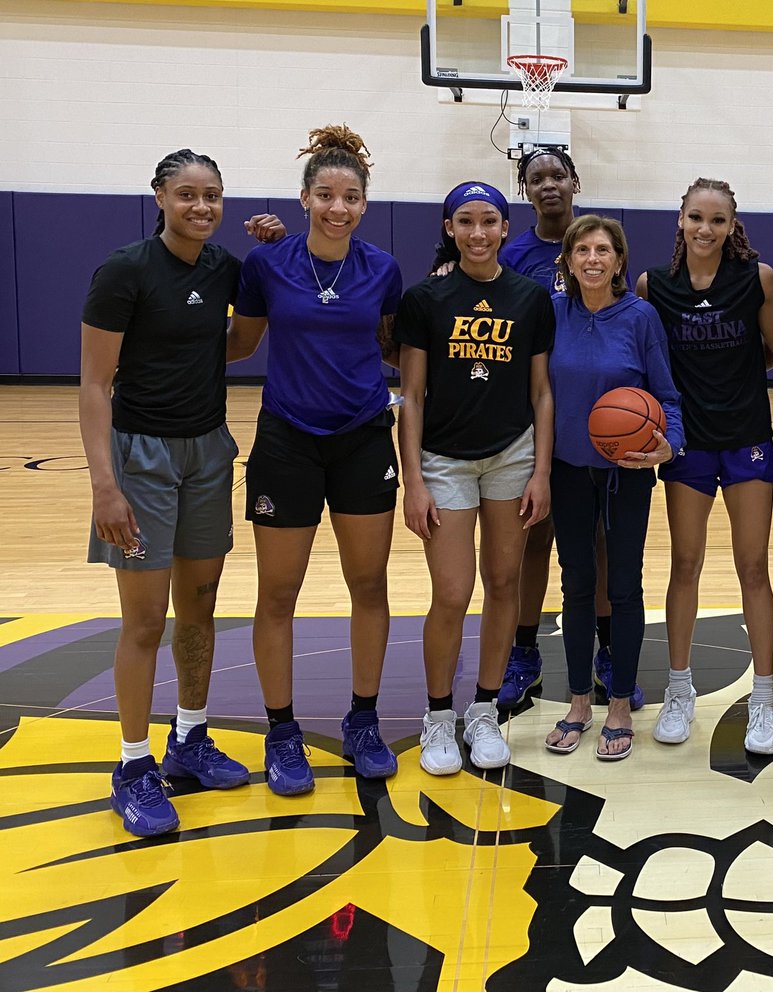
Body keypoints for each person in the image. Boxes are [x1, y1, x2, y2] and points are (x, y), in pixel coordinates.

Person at [80, 149, 283, 836]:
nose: (202, 207)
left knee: (199, 608)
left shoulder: (226, 268)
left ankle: (189, 739)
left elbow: (238, 344)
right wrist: (105, 485)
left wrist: (270, 260)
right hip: (139, 458)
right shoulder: (124, 270)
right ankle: (133, 765)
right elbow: (92, 384)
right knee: (143, 622)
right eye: (188, 194)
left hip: (209, 451)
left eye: (214, 196)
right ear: (160, 196)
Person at [226, 125, 402, 795]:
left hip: (361, 438)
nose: (337, 206)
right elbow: (239, 346)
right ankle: (282, 732)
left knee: (370, 586)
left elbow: (390, 345)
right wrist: (165, 352)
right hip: (287, 440)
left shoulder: (382, 269)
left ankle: (362, 721)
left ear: (363, 203)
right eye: (325, 194)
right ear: (304, 198)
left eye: (350, 196)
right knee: (277, 593)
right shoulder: (266, 265)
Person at [396, 182, 554, 776]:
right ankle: (440, 717)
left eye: (490, 220)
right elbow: (411, 395)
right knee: (453, 593)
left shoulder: (531, 298)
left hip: (512, 456)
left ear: (506, 228)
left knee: (505, 583)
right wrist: (413, 480)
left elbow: (541, 392)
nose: (479, 232)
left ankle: (484, 709)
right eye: (466, 221)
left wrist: (540, 469)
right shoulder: (426, 298)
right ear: (449, 228)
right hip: (444, 459)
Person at [637, 179, 773, 752]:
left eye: (718, 220)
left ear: (732, 226)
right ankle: (680, 689)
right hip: (689, 443)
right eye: (696, 218)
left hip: (747, 435)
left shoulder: (759, 279)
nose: (706, 229)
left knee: (753, 566)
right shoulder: (655, 285)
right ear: (680, 219)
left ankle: (764, 698)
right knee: (685, 563)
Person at [495, 148, 636, 713]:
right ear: (525, 189)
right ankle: (524, 652)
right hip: (534, 420)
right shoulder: (513, 253)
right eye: (537, 178)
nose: (549, 185)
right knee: (535, 540)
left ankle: (605, 651)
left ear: (575, 181)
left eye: (558, 175)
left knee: (598, 547)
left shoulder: (597, 245)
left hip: (600, 424)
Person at [546, 216, 684, 760]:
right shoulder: (551, 313)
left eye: (603, 249)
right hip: (566, 468)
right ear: (570, 260)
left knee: (624, 585)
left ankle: (621, 703)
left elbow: (667, 396)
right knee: (578, 583)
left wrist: (669, 444)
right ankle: (580, 701)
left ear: (620, 261)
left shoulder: (641, 317)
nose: (593, 259)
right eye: (583, 249)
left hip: (628, 470)